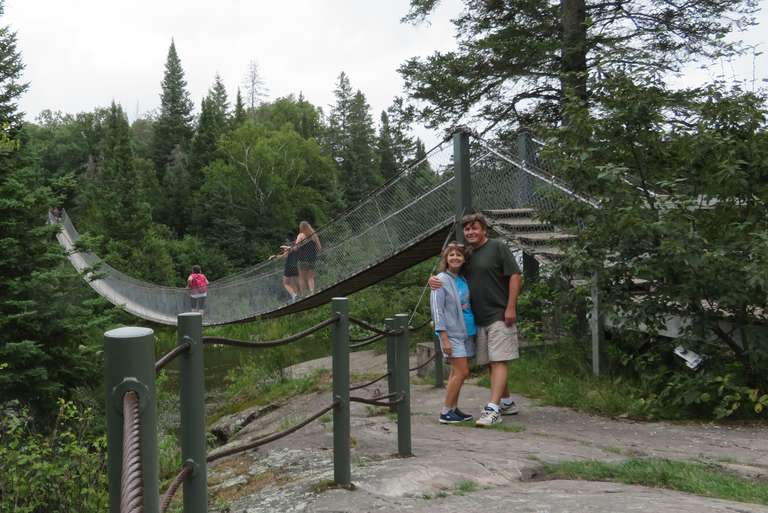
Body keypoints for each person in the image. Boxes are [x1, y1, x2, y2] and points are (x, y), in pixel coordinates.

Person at [430, 213, 522, 426]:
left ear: (484, 230)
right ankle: (506, 402)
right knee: (491, 362)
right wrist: (434, 279)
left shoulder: (498, 247)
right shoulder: (468, 254)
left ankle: (492, 409)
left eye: (475, 228)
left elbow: (515, 276)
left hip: (500, 314)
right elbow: (450, 270)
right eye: (467, 229)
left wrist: (511, 307)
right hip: (476, 320)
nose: (471, 232)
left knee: (498, 360)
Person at [430, 242, 476, 424]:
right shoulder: (440, 279)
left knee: (455, 373)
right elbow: (437, 309)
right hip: (451, 334)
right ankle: (445, 412)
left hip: (466, 331)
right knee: (462, 371)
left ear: (464, 259)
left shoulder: (463, 280)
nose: (455, 258)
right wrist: (443, 337)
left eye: (459, 255)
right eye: (451, 255)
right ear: (446, 259)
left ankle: (453, 408)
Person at [295, 221, 321, 295]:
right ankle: (312, 292)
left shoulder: (300, 235)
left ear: (301, 228)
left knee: (302, 278)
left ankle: (304, 294)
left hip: (302, 259)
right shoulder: (314, 235)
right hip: (312, 259)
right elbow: (319, 248)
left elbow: (296, 247)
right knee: (310, 277)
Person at [269, 237, 299, 302]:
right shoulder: (294, 248)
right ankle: (296, 296)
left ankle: (294, 295)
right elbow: (284, 256)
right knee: (293, 282)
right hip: (295, 267)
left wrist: (285, 247)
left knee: (285, 283)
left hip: (289, 267)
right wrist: (274, 257)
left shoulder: (291, 248)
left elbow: (287, 252)